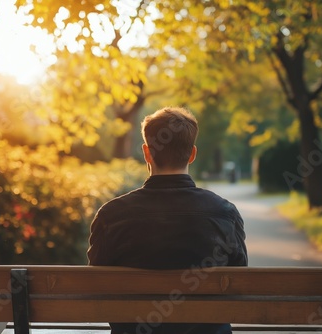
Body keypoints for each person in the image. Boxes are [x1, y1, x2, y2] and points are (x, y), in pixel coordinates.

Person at [87, 106, 248, 334]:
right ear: (192, 154)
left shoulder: (110, 216)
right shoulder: (225, 214)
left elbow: (96, 286)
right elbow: (238, 284)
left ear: (146, 152)